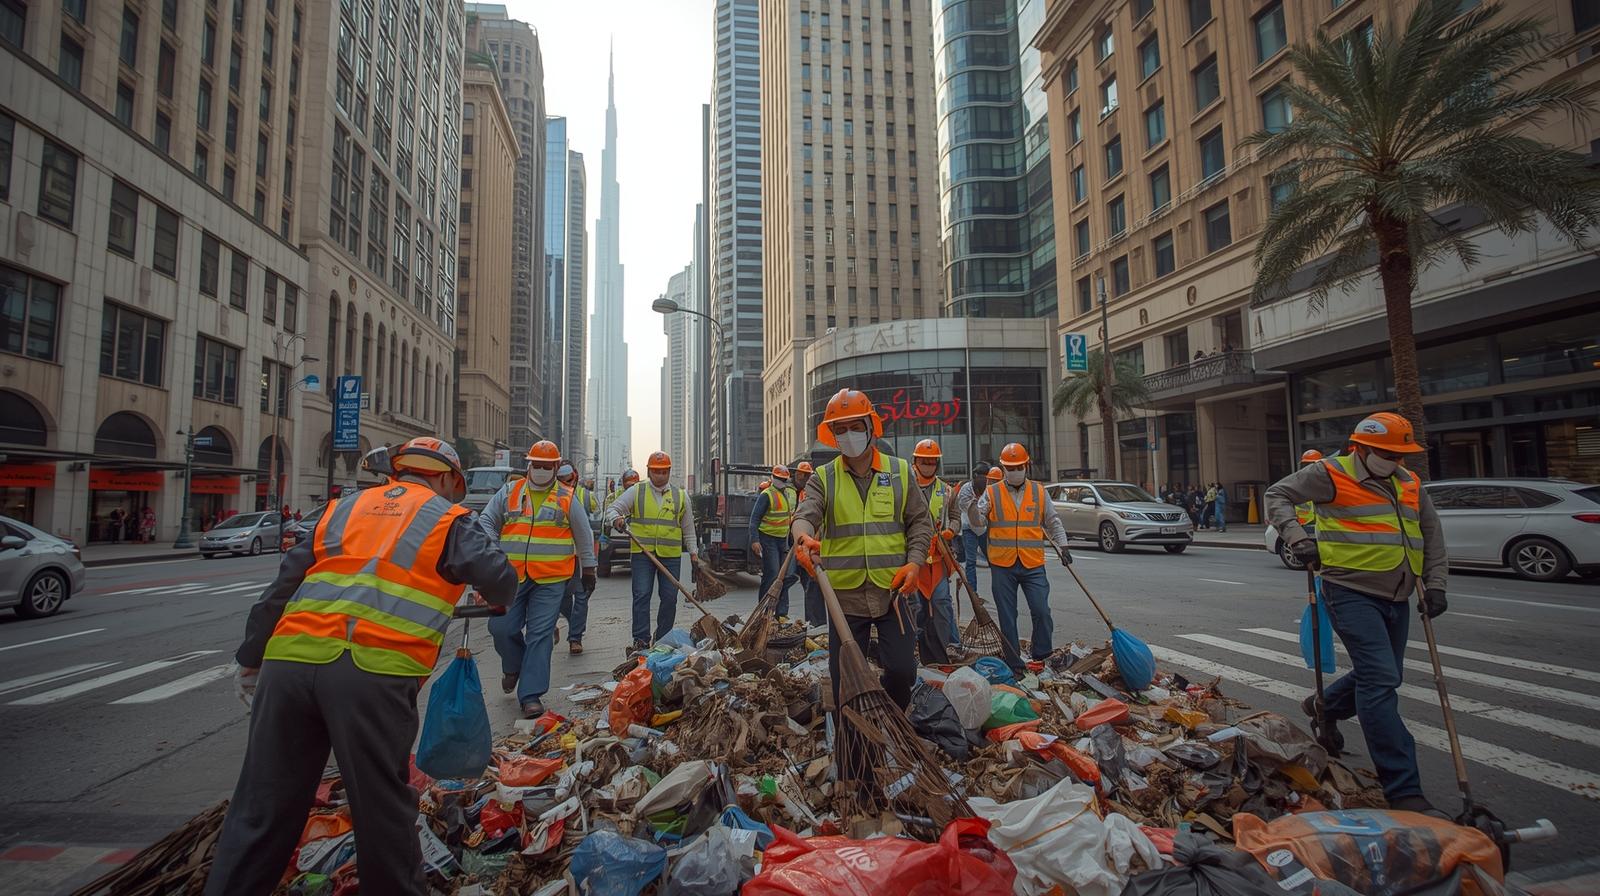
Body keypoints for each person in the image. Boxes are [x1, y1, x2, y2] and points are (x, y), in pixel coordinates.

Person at [207, 437, 517, 896]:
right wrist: (489, 597)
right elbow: (500, 579)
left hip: (288, 665)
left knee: (262, 808)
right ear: (450, 479)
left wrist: (250, 659)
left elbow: (281, 588)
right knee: (381, 811)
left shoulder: (343, 510)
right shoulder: (448, 518)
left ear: (398, 471)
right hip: (372, 670)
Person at [1264, 412, 1448, 817]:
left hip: (1398, 595)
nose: (1392, 460)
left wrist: (1436, 584)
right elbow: (1277, 495)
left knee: (1382, 674)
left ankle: (1323, 706)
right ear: (1361, 448)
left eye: (1399, 454)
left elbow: (1431, 535)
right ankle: (1404, 787)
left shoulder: (1410, 483)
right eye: (1384, 453)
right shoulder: (1331, 473)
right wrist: (1297, 538)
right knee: (1381, 681)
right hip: (1350, 591)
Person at [790, 388, 932, 787]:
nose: (850, 435)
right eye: (841, 429)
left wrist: (916, 563)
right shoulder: (824, 478)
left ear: (871, 427)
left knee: (902, 671)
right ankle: (856, 765)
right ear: (832, 435)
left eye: (856, 426)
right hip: (845, 598)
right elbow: (804, 517)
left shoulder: (901, 472)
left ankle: (888, 723)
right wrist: (804, 539)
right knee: (846, 683)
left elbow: (920, 522)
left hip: (893, 593)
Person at [480, 441, 597, 715]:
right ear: (528, 464)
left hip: (552, 579)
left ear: (556, 467)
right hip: (510, 576)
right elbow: (486, 521)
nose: (542, 470)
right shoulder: (510, 491)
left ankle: (530, 694)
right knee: (500, 628)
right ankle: (513, 666)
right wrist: (492, 550)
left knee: (540, 634)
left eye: (547, 466)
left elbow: (583, 535)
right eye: (537, 465)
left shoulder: (567, 497)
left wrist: (588, 569)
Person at [969, 443, 1073, 673]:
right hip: (1002, 564)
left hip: (1032, 563)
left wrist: (1063, 546)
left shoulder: (1039, 491)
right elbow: (978, 524)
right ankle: (1013, 661)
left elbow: (1053, 521)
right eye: (1010, 467)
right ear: (1003, 468)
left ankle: (1042, 653)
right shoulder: (992, 492)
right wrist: (974, 513)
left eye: (1018, 466)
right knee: (1007, 616)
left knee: (1042, 611)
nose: (1015, 470)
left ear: (1026, 466)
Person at [605, 452, 699, 652]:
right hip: (643, 554)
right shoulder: (637, 491)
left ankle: (663, 638)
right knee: (641, 594)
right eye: (656, 471)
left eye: (664, 471)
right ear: (649, 471)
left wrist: (693, 553)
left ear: (669, 472)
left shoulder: (680, 496)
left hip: (671, 555)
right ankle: (640, 638)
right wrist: (618, 520)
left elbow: (689, 528)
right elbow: (612, 510)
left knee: (669, 598)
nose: (660, 475)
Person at [910, 438, 960, 658]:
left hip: (938, 557)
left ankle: (942, 651)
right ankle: (922, 651)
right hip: (913, 556)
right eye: (924, 461)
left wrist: (952, 529)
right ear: (916, 461)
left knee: (940, 602)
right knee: (918, 608)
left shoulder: (947, 491)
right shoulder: (906, 487)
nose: (928, 465)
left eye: (932, 462)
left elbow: (956, 517)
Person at [554, 463, 599, 654]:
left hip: (581, 557)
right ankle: (573, 625)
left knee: (581, 596)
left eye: (569, 478)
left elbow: (596, 516)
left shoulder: (586, 496)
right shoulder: (553, 496)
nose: (567, 482)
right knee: (563, 599)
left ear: (576, 477)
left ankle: (575, 638)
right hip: (561, 557)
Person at [749, 465, 798, 618]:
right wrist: (755, 540)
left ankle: (781, 613)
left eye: (784, 479)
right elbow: (754, 519)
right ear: (773, 478)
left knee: (785, 576)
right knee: (772, 574)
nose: (782, 481)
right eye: (779, 479)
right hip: (768, 540)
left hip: (782, 541)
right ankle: (763, 612)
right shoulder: (767, 495)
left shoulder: (786, 493)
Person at [791, 461, 826, 627]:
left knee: (816, 586)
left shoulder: (811, 491)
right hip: (809, 545)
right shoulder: (805, 494)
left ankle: (818, 622)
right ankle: (815, 623)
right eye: (801, 474)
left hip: (819, 545)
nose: (803, 477)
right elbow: (805, 517)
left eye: (806, 475)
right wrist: (803, 540)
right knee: (812, 585)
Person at [956, 464, 991, 592]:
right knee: (970, 561)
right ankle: (973, 592)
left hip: (983, 528)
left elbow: (989, 506)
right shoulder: (966, 488)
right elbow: (964, 506)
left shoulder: (990, 488)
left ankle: (1000, 584)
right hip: (968, 528)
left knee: (992, 557)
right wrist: (975, 503)